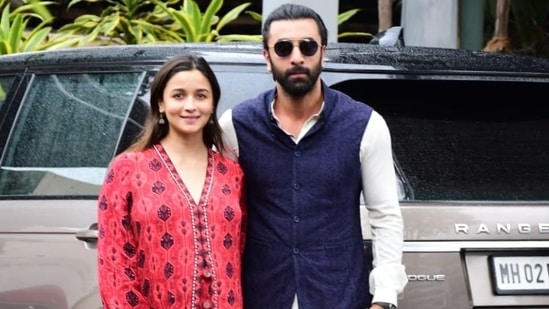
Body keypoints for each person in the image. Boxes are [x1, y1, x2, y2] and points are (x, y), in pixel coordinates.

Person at [218, 3, 407, 309]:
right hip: (260, 295)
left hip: (340, 295)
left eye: (307, 46)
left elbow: (385, 216)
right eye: (283, 48)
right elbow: (219, 216)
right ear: (267, 58)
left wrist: (384, 299)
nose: (296, 57)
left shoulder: (365, 125)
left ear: (323, 52)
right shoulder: (235, 126)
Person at [97, 54, 246, 309]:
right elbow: (114, 267)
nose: (191, 106)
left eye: (201, 96)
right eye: (178, 96)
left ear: (212, 104)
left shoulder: (231, 174)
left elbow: (240, 251)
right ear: (161, 104)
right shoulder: (128, 169)